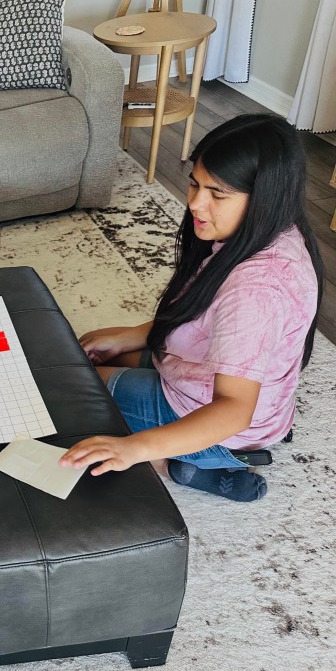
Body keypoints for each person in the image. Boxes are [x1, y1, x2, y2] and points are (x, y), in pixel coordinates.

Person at [59, 114, 324, 502]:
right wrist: (135, 335)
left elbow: (233, 409)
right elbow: (199, 310)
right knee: (91, 354)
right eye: (195, 184)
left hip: (227, 422)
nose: (196, 203)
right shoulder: (279, 231)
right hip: (249, 399)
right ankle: (199, 454)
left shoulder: (256, 290)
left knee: (77, 385)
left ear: (265, 195)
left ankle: (184, 463)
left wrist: (136, 449)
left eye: (217, 194)